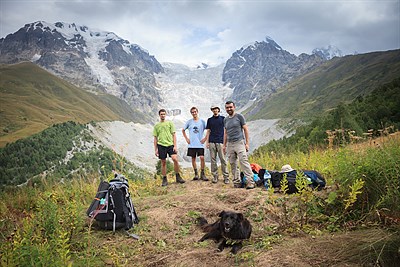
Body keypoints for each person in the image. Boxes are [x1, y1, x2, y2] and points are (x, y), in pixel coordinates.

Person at [222, 101, 255, 189]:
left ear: (234, 107)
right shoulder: (225, 119)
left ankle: (250, 182)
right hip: (230, 143)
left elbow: (245, 129)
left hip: (239, 142)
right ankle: (237, 182)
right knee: (233, 163)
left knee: (243, 161)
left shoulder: (239, 117)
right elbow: (225, 133)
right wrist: (224, 145)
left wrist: (247, 143)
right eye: (227, 107)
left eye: (230, 107)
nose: (229, 109)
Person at [153, 109, 185, 186]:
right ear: (159, 115)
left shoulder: (170, 123)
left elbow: (174, 135)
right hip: (161, 145)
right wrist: (156, 149)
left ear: (165, 115)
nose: (163, 115)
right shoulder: (156, 126)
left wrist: (175, 146)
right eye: (161, 114)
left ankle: (178, 176)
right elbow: (155, 138)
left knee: (175, 159)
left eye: (164, 114)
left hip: (170, 144)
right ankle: (164, 179)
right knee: (163, 162)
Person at [182, 107, 209, 181]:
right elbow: (183, 130)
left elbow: (208, 130)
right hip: (192, 144)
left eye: (195, 112)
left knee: (202, 158)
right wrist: (186, 139)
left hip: (200, 144)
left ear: (197, 112)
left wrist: (205, 138)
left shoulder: (202, 122)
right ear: (191, 113)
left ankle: (202, 174)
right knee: (193, 159)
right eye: (192, 112)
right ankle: (196, 174)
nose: (194, 113)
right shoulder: (189, 122)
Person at [205, 105, 229, 184]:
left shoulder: (223, 119)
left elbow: (226, 130)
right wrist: (207, 142)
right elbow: (208, 131)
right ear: (212, 111)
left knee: (223, 159)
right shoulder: (210, 120)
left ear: (218, 110)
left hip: (220, 141)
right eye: (213, 109)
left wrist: (225, 142)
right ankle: (215, 176)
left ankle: (226, 177)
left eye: (216, 109)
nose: (215, 110)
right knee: (213, 159)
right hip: (212, 141)